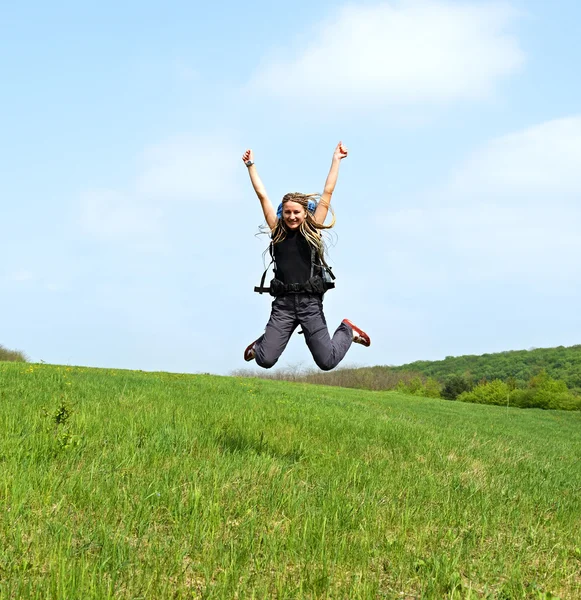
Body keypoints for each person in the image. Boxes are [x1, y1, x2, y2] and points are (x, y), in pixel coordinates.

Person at [242, 142, 370, 371]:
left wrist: (336, 160)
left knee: (327, 361)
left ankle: (347, 331)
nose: (292, 216)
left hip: (310, 304)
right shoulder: (277, 231)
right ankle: (260, 345)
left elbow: (327, 193)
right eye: (288, 212)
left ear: (305, 213)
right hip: (282, 306)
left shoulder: (313, 231)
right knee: (265, 360)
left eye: (296, 212)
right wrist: (251, 165)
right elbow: (262, 196)